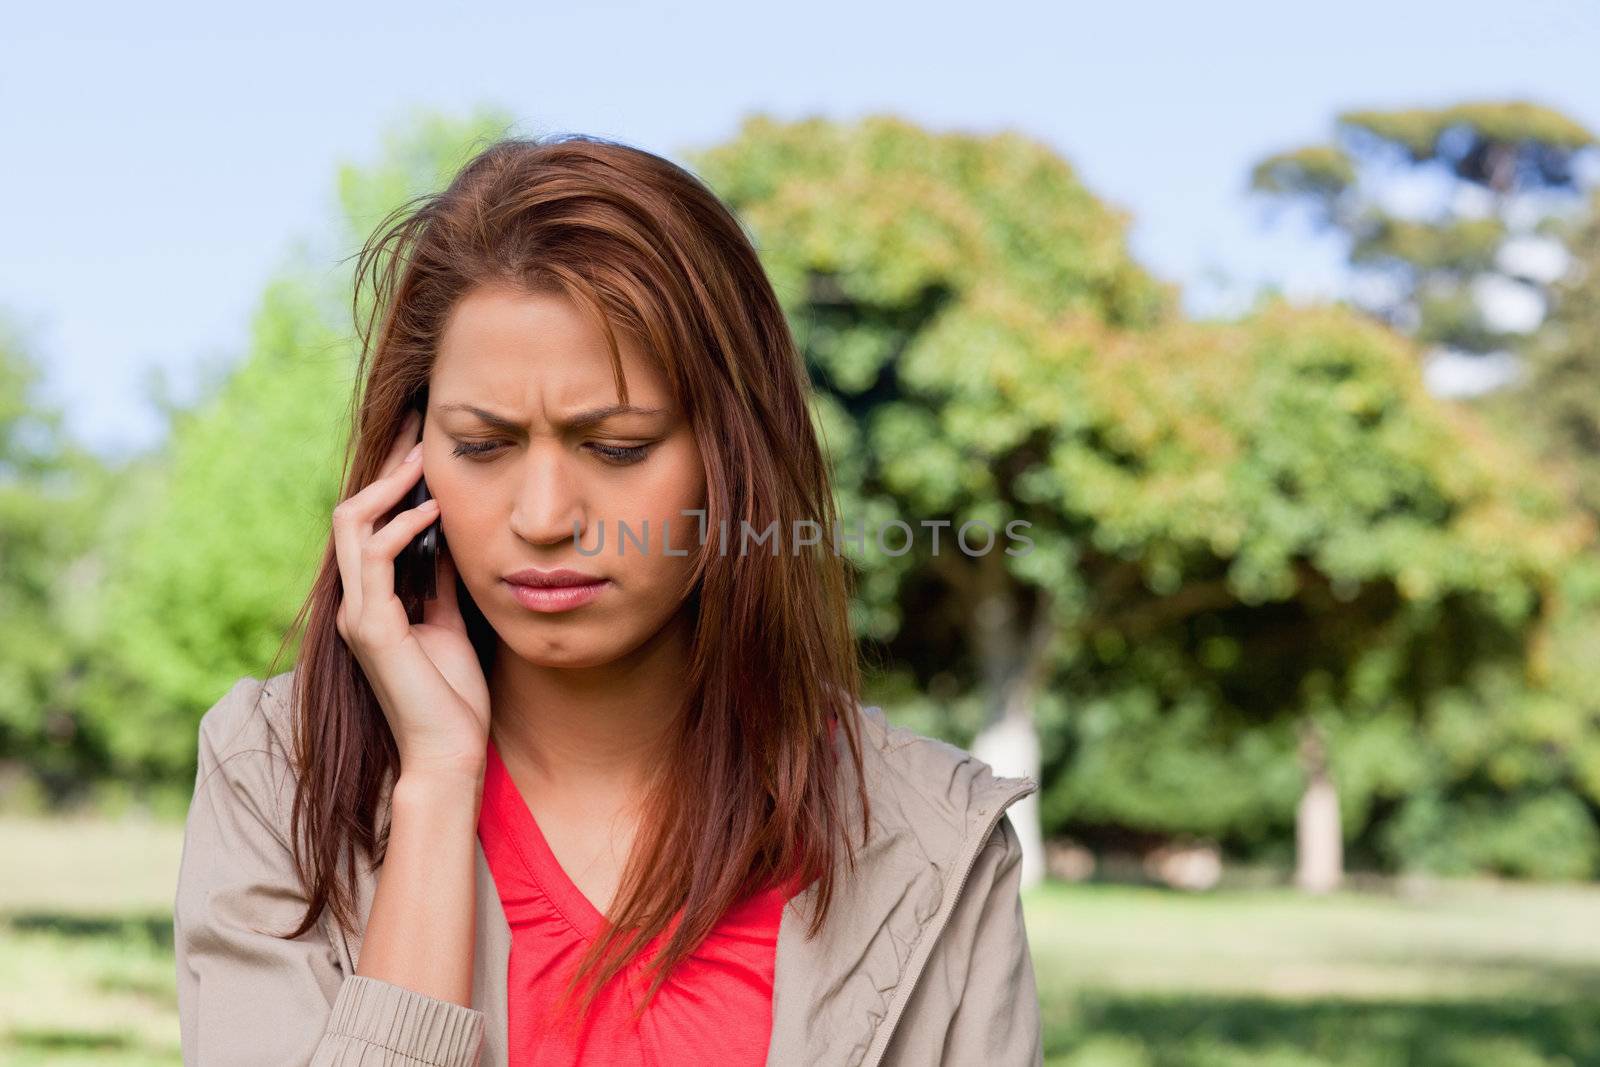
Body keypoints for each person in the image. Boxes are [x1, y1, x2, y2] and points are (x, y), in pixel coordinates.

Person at [172, 133, 1042, 1066]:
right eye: (483, 445)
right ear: (408, 467)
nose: (544, 517)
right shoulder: (274, 777)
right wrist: (433, 783)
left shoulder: (935, 838)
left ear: (734, 461)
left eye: (617, 447)